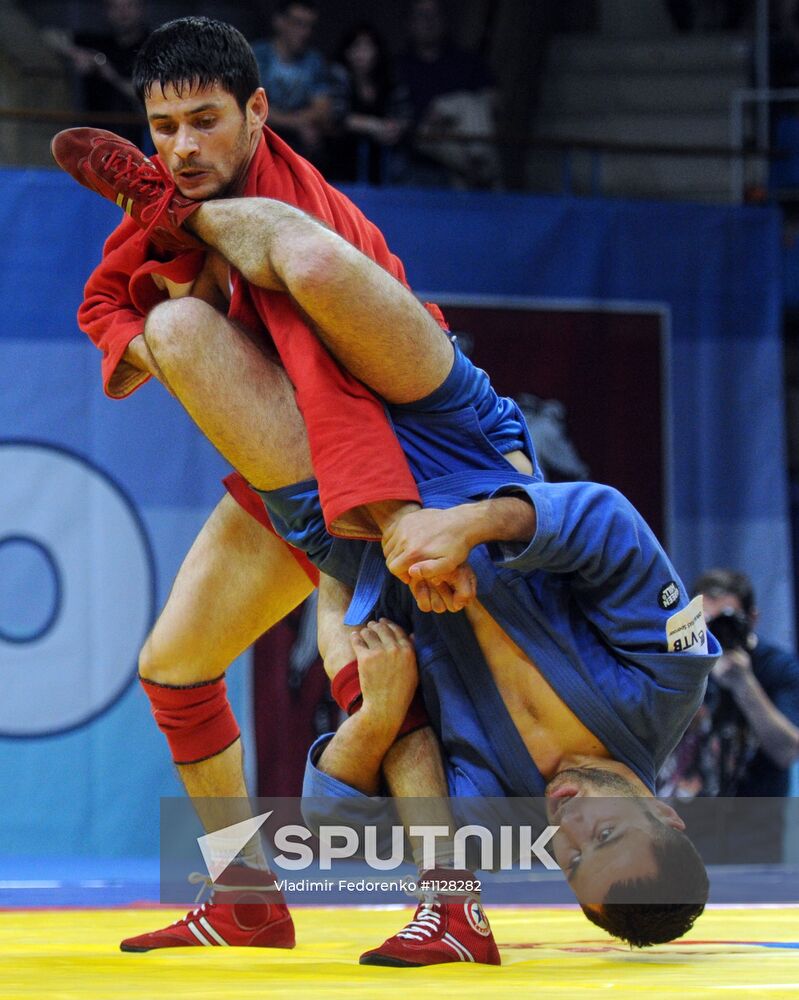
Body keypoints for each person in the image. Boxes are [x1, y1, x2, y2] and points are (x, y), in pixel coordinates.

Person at [54, 107, 719, 966]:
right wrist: (471, 523)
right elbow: (606, 525)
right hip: (449, 449)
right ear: (664, 811)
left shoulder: (502, 813)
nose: (569, 832)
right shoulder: (671, 675)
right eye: (605, 835)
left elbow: (338, 827)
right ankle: (169, 204)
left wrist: (374, 718)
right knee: (312, 266)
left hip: (350, 537)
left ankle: (245, 899)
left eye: (570, 860)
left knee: (180, 339)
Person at [659, 568, 799, 860]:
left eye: (726, 620)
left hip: (754, 834)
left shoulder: (777, 668)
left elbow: (787, 751)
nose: (715, 633)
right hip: (684, 830)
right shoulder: (679, 665)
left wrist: (743, 684)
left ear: (752, 619)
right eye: (706, 622)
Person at [395, 0, 498, 188]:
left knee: (469, 103)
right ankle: (484, 170)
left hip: (460, 134)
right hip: (422, 135)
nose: (428, 22)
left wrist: (450, 111)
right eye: (421, 16)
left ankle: (479, 167)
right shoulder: (398, 66)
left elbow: (492, 99)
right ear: (409, 23)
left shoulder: (465, 60)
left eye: (433, 16)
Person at [43, 0, 149, 142]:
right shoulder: (99, 42)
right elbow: (49, 35)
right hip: (95, 137)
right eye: (115, 7)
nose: (123, 13)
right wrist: (77, 53)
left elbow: (147, 95)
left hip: (137, 136)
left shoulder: (151, 45)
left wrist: (107, 72)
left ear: (141, 9)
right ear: (106, 11)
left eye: (129, 6)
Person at [251, 0, 332, 166]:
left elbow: (322, 109)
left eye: (309, 26)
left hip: (300, 144)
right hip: (262, 135)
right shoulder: (257, 55)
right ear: (279, 21)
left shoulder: (314, 62)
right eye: (298, 23)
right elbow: (250, 108)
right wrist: (297, 124)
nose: (304, 32)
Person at [328, 24, 411, 185]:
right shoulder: (338, 76)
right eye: (356, 47)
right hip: (344, 158)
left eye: (367, 47)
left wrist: (395, 127)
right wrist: (373, 126)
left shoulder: (390, 79)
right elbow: (337, 115)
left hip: (385, 159)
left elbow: (404, 115)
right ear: (347, 51)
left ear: (377, 51)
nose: (361, 53)